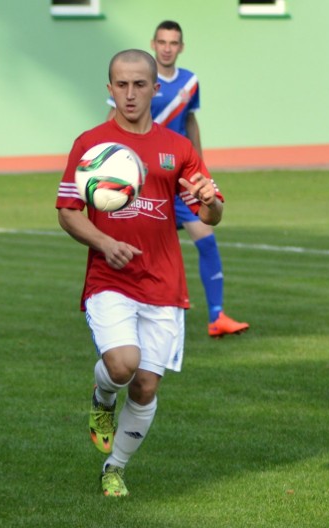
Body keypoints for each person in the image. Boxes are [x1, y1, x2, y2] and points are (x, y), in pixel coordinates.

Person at [56, 49, 224, 497]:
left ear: (155, 88)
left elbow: (213, 214)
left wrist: (208, 199)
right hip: (110, 280)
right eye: (121, 85)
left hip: (165, 283)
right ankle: (102, 397)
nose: (130, 94)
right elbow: (69, 212)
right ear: (109, 89)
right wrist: (106, 243)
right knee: (123, 364)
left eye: (139, 85)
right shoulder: (90, 144)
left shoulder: (178, 148)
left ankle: (115, 467)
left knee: (147, 387)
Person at [106, 20, 249, 338]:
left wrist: (200, 165)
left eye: (174, 42)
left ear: (181, 47)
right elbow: (113, 120)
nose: (168, 48)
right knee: (140, 248)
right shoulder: (140, 80)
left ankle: (217, 317)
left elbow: (190, 120)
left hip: (180, 180)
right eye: (162, 42)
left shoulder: (190, 81)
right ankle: (126, 317)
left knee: (207, 238)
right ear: (153, 44)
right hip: (146, 180)